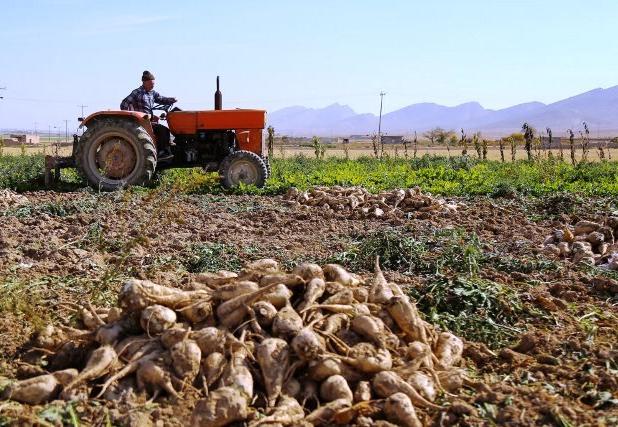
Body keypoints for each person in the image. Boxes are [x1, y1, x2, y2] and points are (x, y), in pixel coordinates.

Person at [120, 70, 177, 160]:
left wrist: (171, 99)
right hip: (141, 122)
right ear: (144, 82)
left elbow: (161, 99)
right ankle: (162, 152)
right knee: (163, 130)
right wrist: (131, 118)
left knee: (163, 130)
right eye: (151, 84)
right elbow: (124, 104)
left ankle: (167, 147)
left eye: (153, 84)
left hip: (149, 121)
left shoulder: (152, 93)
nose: (152, 85)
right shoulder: (137, 92)